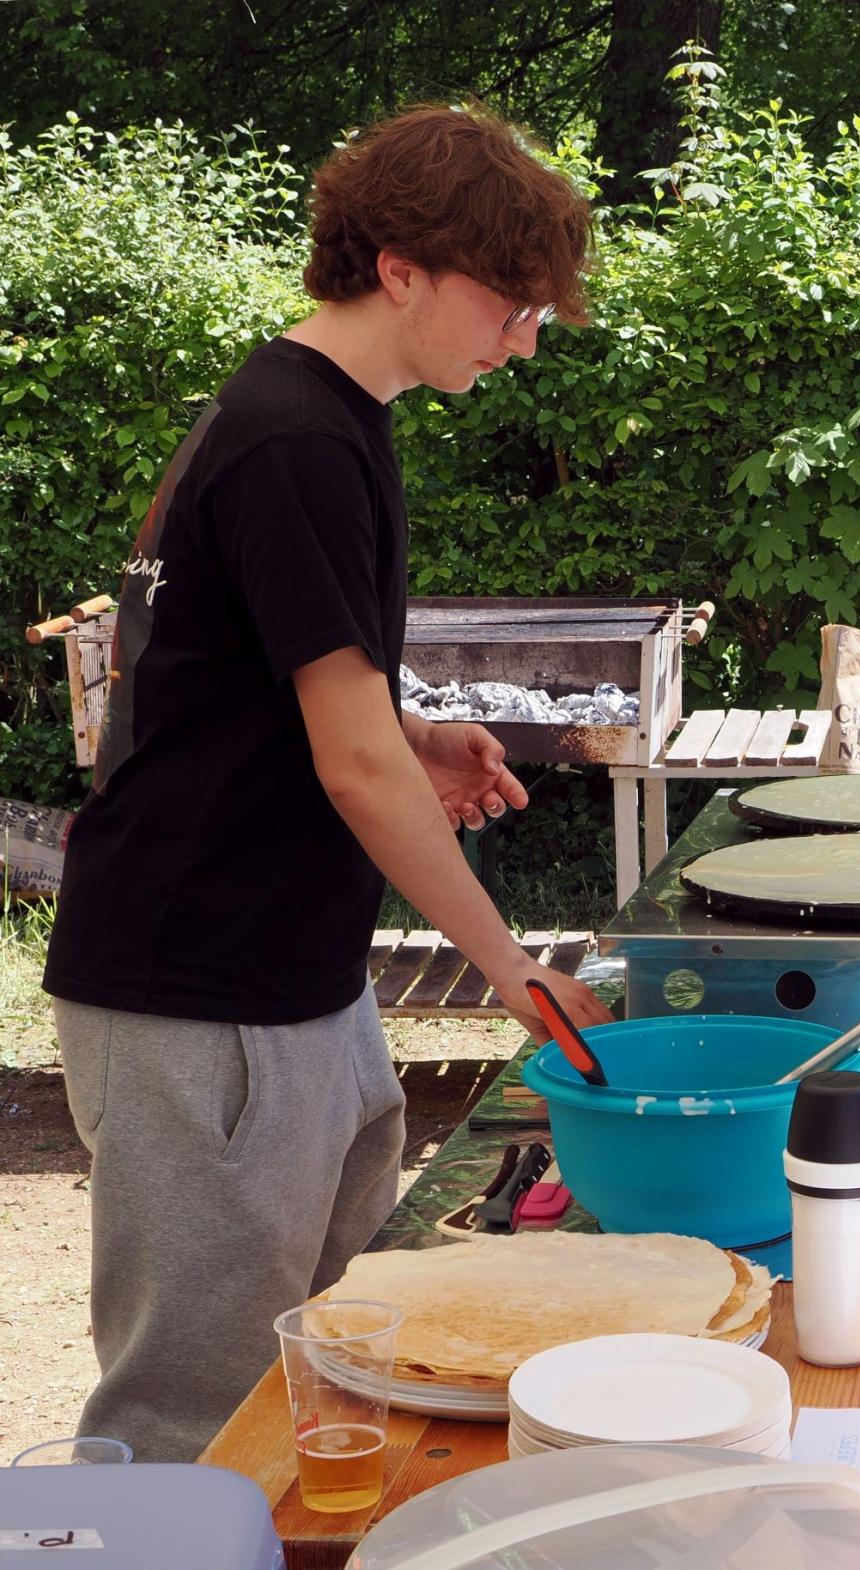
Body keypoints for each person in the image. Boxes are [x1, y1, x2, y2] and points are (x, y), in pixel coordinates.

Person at [41, 104, 616, 1463]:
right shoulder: (297, 437)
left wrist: (407, 728)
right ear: (400, 266)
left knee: (344, 1366)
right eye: (509, 301)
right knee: (201, 1416)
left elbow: (260, 685)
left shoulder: (317, 415)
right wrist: (517, 974)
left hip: (294, 978)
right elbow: (348, 767)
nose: (525, 336)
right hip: (197, 990)